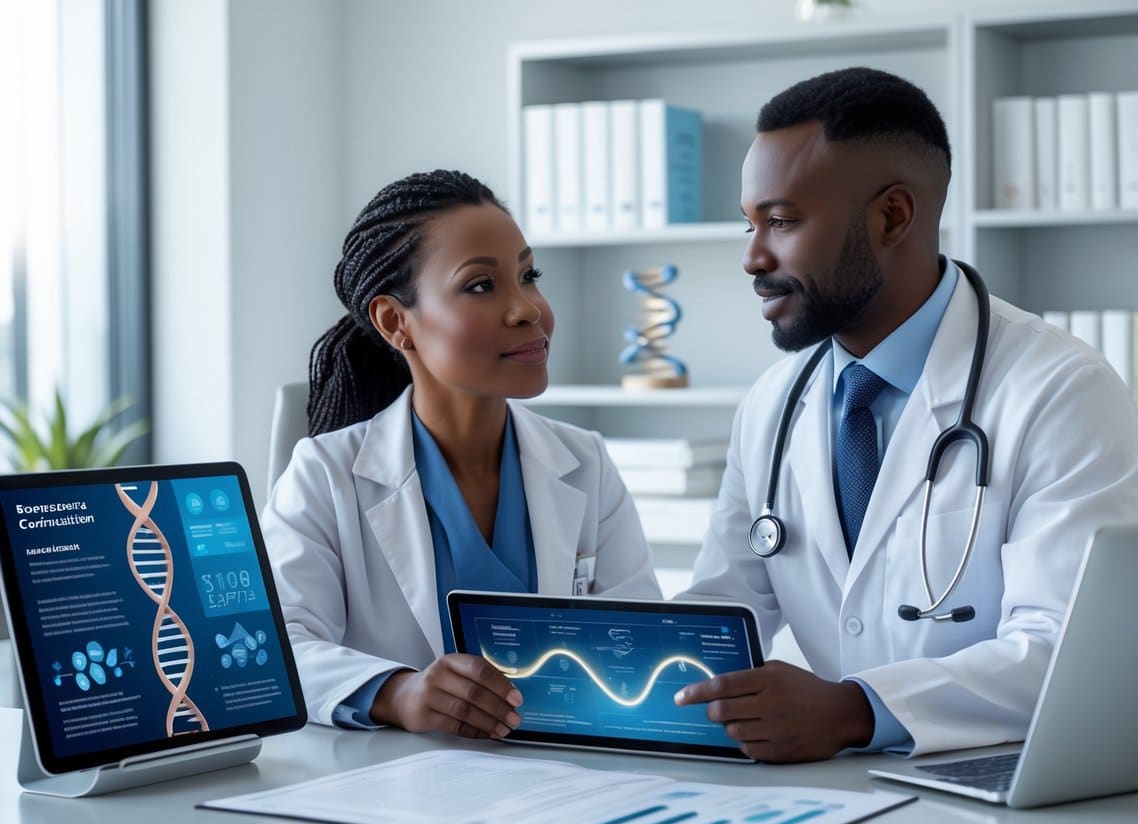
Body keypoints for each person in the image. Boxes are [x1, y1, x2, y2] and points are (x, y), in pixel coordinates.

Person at [674, 67, 1138, 762]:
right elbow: (720, 612)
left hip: (990, 804)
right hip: (827, 800)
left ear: (892, 216)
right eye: (749, 223)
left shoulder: (1061, 390)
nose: (752, 257)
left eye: (781, 220)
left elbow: (1069, 654)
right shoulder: (773, 403)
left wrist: (857, 708)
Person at [262, 169, 661, 736]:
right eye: (482, 285)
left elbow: (644, 642)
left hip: (566, 779)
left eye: (529, 275)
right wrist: (397, 694)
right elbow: (280, 649)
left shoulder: (585, 463)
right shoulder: (324, 475)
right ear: (396, 322)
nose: (526, 308)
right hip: (392, 793)